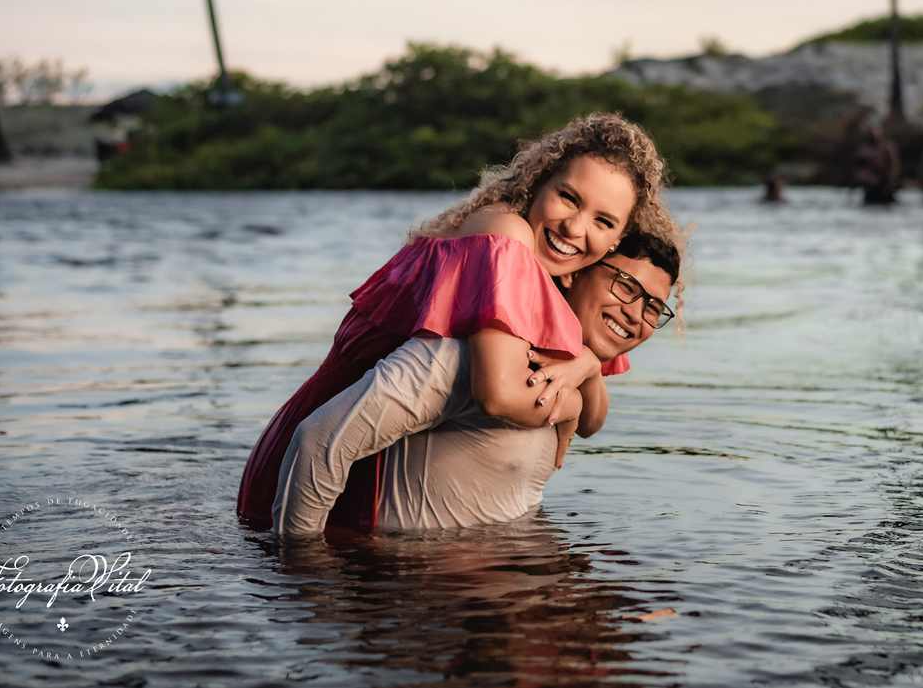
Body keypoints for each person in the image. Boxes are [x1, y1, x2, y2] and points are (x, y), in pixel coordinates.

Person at [238, 113, 678, 531]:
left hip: (351, 455)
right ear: (538, 183)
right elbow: (498, 395)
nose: (575, 227)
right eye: (568, 197)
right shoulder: (509, 236)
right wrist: (573, 403)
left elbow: (593, 420)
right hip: (309, 452)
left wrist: (583, 363)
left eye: (603, 221)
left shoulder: (550, 279)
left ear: (618, 237)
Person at [273, 232, 681, 537]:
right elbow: (317, 441)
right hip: (415, 597)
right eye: (626, 287)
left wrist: (588, 366)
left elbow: (593, 421)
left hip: (504, 580)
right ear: (574, 274)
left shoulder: (566, 373)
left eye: (653, 308)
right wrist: (309, 577)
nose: (634, 314)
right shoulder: (466, 358)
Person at [853, 125, 900, 205]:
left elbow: (894, 166)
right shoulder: (864, 150)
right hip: (870, 188)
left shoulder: (887, 148)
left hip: (884, 184)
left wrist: (891, 182)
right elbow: (858, 169)